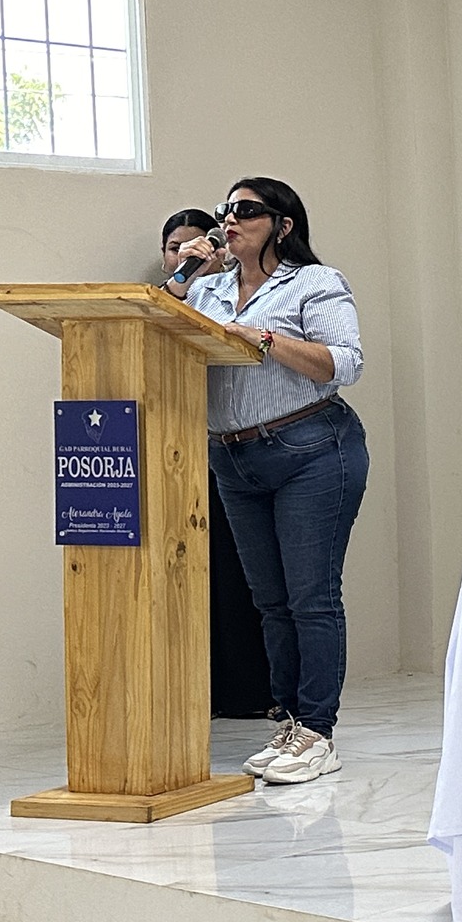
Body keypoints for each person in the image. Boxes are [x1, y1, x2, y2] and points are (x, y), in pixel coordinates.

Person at [186, 178, 369, 784]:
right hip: (233, 457)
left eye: (246, 211)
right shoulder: (207, 288)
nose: (230, 220)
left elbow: (345, 362)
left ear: (283, 225)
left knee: (310, 597)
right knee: (269, 601)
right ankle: (288, 723)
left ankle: (317, 731)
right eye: (225, 211)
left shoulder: (314, 282)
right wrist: (182, 278)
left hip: (310, 449)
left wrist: (264, 339)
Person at [158, 207, 272, 718]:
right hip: (171, 452)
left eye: (198, 245)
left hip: (230, 446)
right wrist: (183, 278)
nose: (186, 254)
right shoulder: (164, 298)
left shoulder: (232, 297)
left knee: (237, 573)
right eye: (174, 248)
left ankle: (249, 691)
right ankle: (193, 687)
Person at [158, 207, 227, 299]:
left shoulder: (237, 297)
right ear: (164, 254)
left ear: (221, 255)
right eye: (176, 249)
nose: (186, 254)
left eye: (199, 247)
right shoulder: (149, 300)